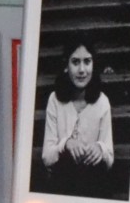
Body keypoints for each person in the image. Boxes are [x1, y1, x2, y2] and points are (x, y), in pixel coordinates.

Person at [35, 39, 116, 195]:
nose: (82, 70)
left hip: (93, 181)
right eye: (75, 62)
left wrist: (100, 148)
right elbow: (47, 157)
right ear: (66, 66)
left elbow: (110, 158)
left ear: (93, 65)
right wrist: (66, 144)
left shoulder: (102, 102)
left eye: (87, 62)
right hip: (62, 181)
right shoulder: (54, 100)